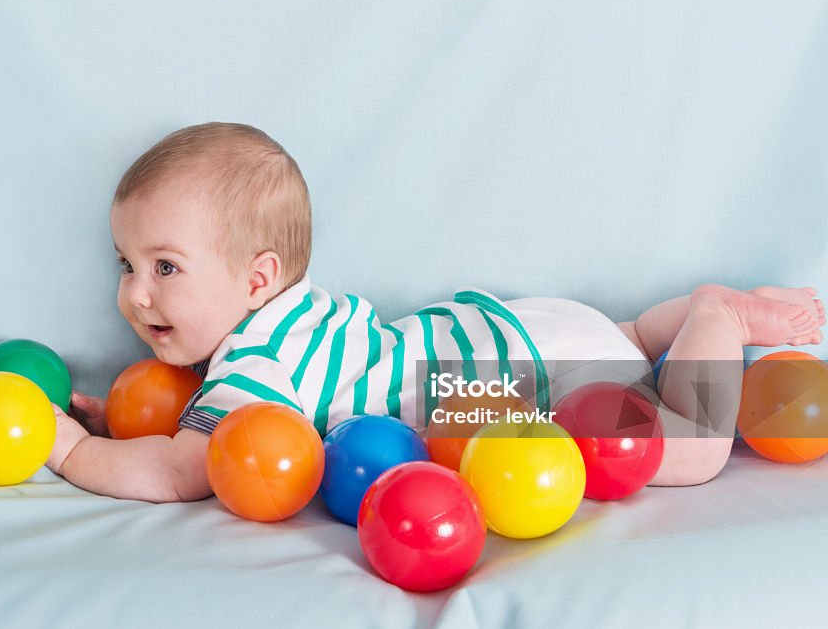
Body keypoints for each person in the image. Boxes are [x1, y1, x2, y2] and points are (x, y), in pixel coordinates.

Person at [45, 122, 825, 502]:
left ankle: (718, 316)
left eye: (165, 267)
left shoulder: (254, 363)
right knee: (623, 339)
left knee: (688, 450)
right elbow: (195, 428)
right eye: (127, 264)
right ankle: (682, 317)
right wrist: (120, 417)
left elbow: (182, 471)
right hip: (507, 330)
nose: (136, 294)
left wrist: (74, 450)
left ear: (258, 278)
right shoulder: (296, 311)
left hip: (509, 384)